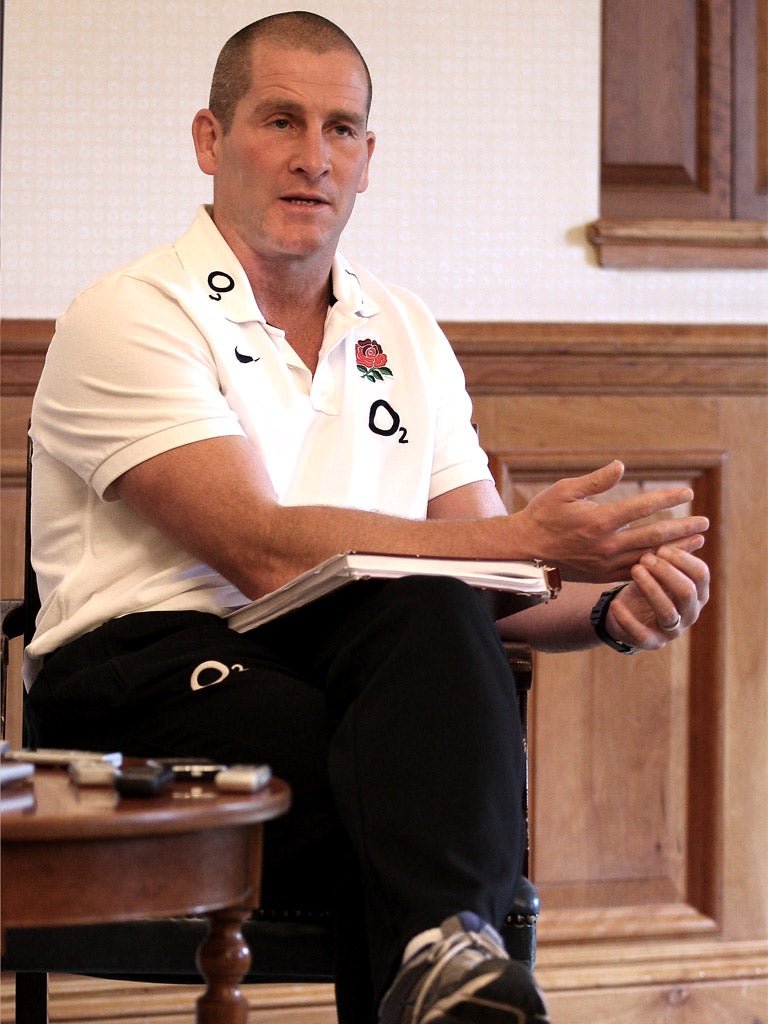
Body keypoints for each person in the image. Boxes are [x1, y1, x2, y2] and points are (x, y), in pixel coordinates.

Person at [26, 12, 710, 1024]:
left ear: (369, 157)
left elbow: (489, 590)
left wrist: (608, 612)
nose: (315, 159)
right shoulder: (130, 311)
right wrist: (522, 538)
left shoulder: (404, 329)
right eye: (282, 122)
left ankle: (448, 966)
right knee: (422, 780)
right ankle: (459, 961)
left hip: (337, 672)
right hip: (142, 684)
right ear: (211, 141)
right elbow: (259, 548)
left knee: (427, 641)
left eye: (342, 129)